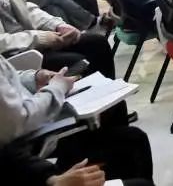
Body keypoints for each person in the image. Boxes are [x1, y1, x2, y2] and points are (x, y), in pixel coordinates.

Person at [0, 55, 154, 185]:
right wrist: (56, 89)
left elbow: (7, 76)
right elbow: (18, 120)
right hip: (28, 136)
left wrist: (33, 78)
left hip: (22, 147)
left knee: (132, 137)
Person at [0, 0, 115, 79]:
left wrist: (58, 25)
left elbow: (28, 10)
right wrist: (40, 38)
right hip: (9, 57)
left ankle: (112, 89)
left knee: (97, 43)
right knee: (78, 62)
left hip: (31, 44)